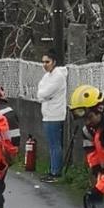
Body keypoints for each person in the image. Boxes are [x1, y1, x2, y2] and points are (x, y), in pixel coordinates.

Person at [36, 49, 67, 183]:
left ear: (54, 62)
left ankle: (55, 172)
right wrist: (43, 96)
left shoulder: (58, 76)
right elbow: (40, 93)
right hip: (48, 113)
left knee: (55, 145)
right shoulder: (47, 76)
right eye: (43, 62)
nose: (45, 65)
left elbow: (44, 93)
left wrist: (43, 96)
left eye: (47, 62)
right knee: (52, 144)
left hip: (55, 114)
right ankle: (52, 169)